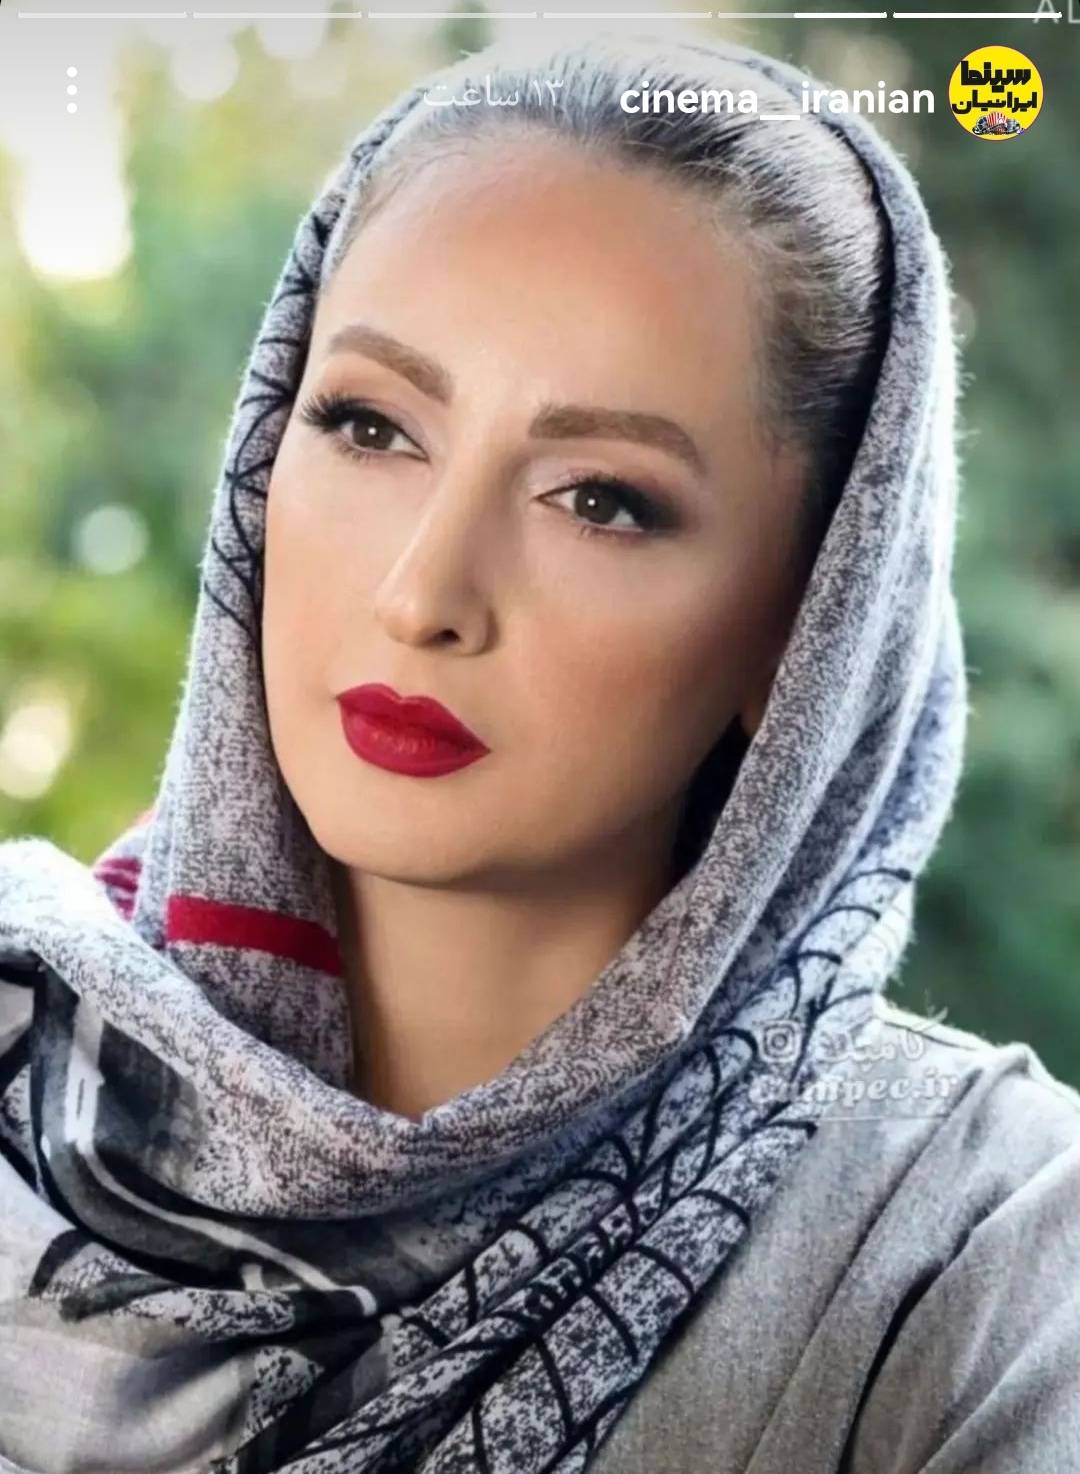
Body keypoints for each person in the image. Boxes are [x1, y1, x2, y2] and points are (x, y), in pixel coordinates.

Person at [1, 30, 1078, 1474]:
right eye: (370, 425)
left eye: (601, 500)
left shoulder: (988, 1259)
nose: (422, 595)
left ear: (806, 631)